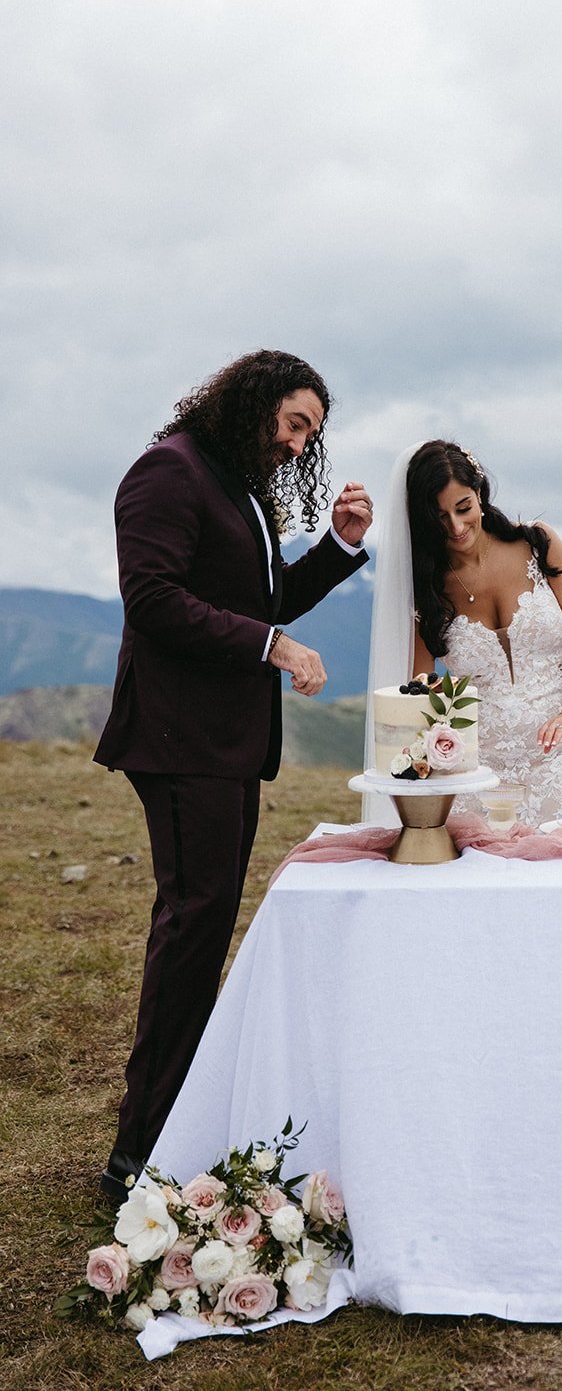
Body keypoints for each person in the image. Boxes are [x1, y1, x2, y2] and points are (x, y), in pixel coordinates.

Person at [94, 349, 373, 1204]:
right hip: (179, 741)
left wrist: (337, 548)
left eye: (310, 435)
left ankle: (172, 1135)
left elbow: (263, 598)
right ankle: (136, 1159)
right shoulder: (167, 473)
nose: (298, 446)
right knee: (190, 934)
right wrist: (270, 646)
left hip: (222, 745)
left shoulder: (238, 486)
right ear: (252, 404)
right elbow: (152, 597)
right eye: (293, 425)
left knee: (204, 930)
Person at [366, 440, 562, 827]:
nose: (456, 527)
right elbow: (419, 687)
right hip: (479, 770)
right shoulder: (427, 589)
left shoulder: (537, 544)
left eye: (463, 509)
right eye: (440, 517)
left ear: (479, 493)